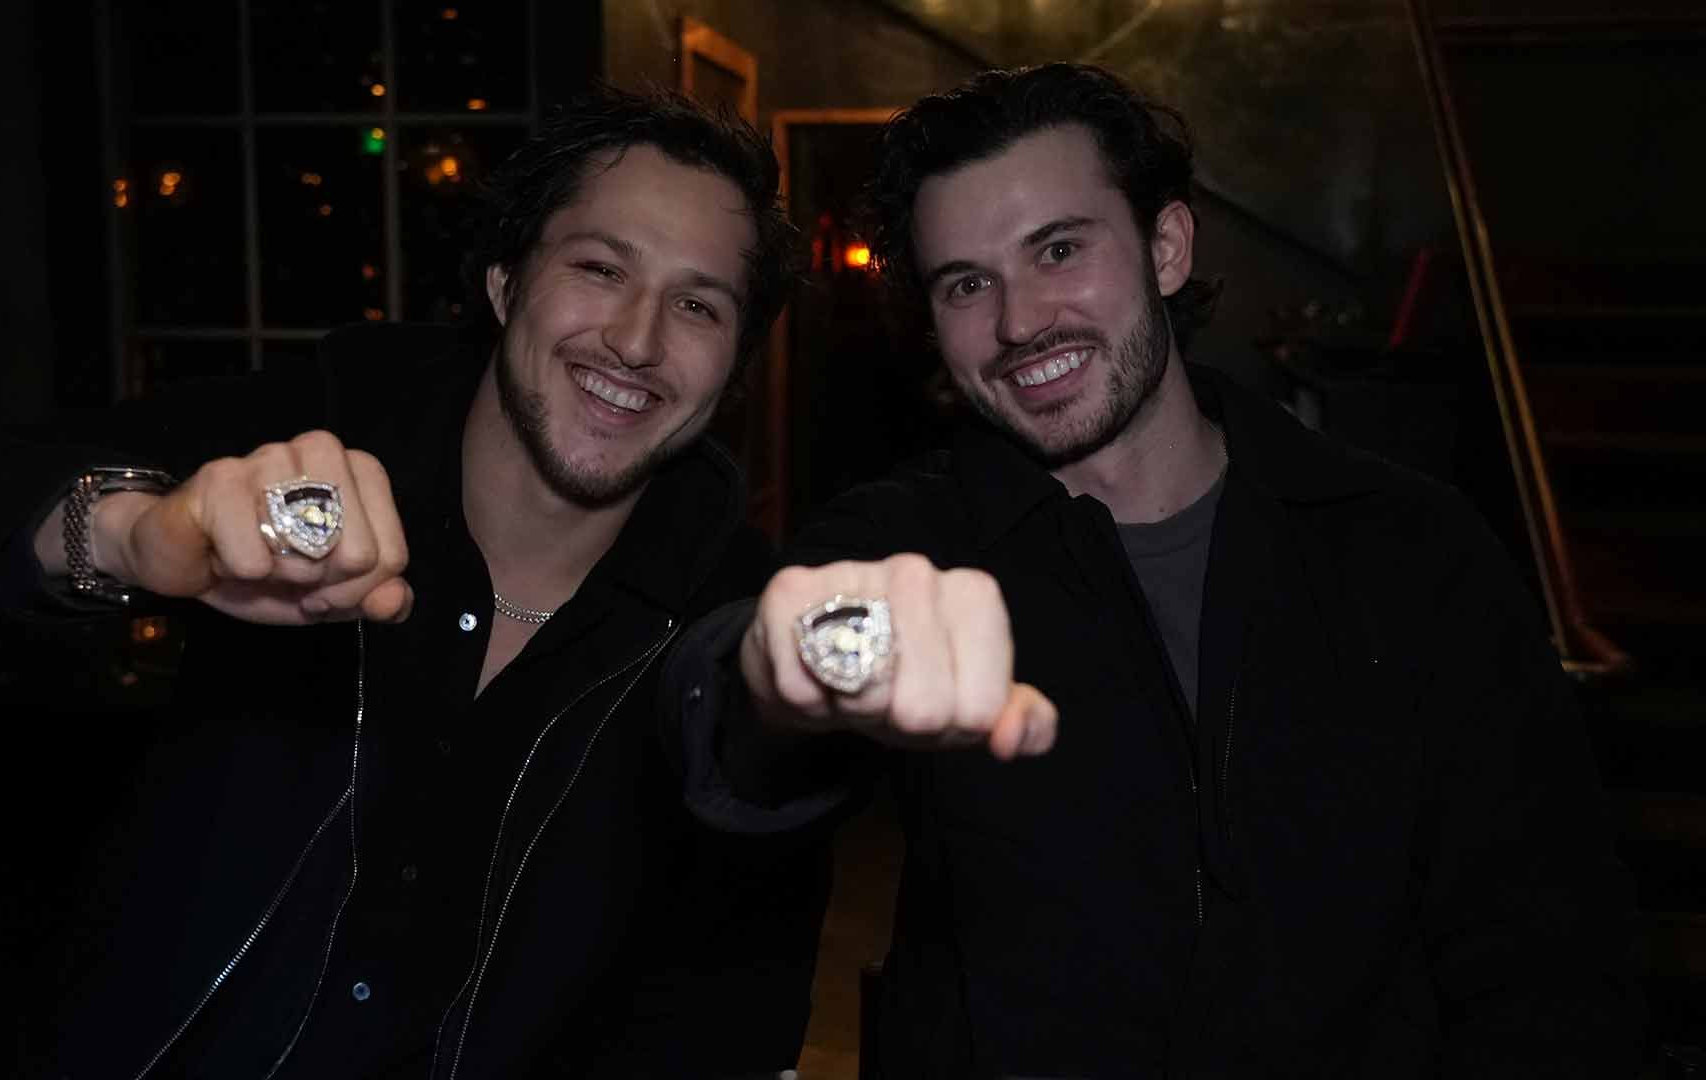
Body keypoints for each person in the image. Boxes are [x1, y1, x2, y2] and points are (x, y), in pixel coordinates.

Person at [0, 86, 828, 1078]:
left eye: (698, 305)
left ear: (734, 366)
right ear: (505, 282)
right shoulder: (306, 445)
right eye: (600, 267)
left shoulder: (739, 629)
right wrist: (127, 535)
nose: (637, 340)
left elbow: (733, 1014)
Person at [667, 63, 1641, 1078]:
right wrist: (780, 672)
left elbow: (1549, 954)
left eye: (1058, 249)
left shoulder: (1410, 547)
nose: (1019, 321)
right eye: (966, 283)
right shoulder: (910, 541)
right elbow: (729, 728)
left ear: (1166, 247)